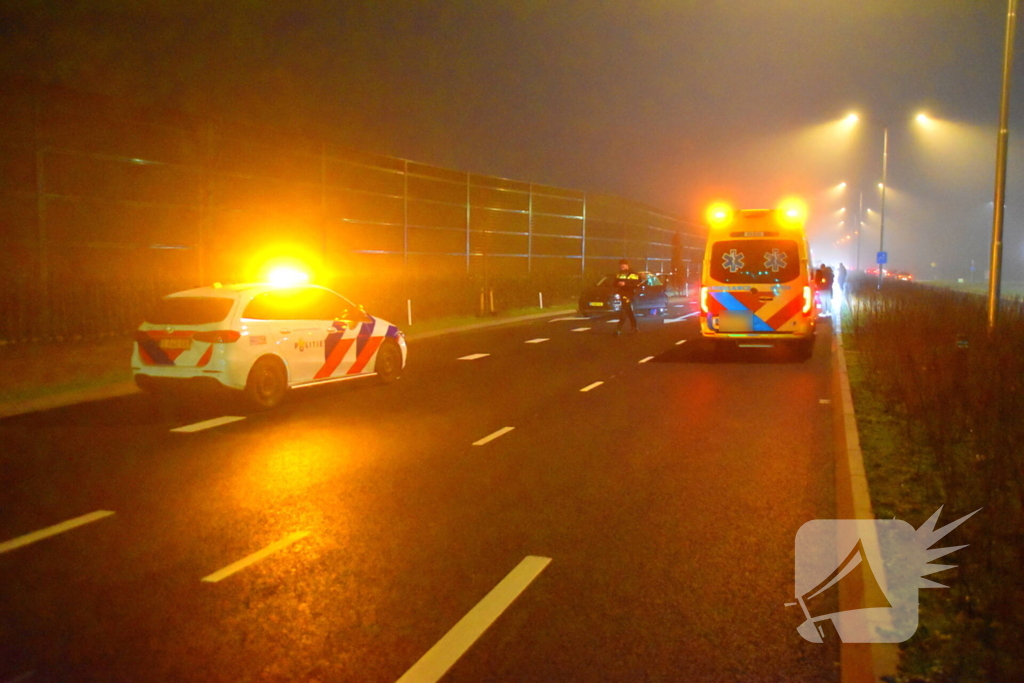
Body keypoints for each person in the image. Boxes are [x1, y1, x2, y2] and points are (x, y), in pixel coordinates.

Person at [614, 259, 641, 335]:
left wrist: (625, 284)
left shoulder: (633, 274)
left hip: (629, 294)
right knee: (629, 311)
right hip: (621, 294)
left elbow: (636, 285)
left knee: (624, 311)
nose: (621, 267)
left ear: (627, 265)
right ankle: (634, 327)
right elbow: (614, 283)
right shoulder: (619, 274)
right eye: (621, 265)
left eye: (623, 265)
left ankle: (618, 329)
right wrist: (618, 284)